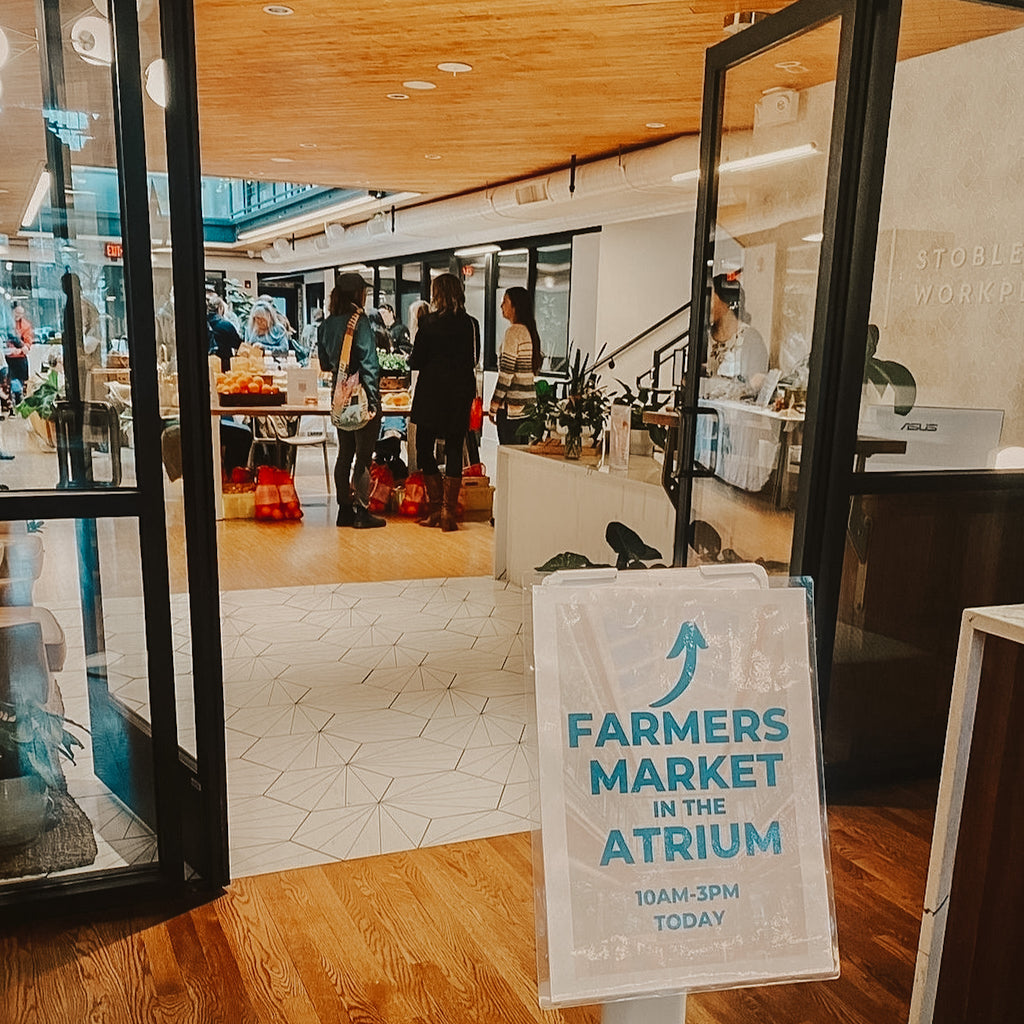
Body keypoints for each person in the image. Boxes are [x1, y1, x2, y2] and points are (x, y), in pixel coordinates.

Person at [409, 273, 478, 531]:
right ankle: (449, 513)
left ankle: (436, 508)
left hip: (432, 393)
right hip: (459, 393)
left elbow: (416, 360)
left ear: (437, 294)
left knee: (424, 447)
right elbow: (474, 359)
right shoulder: (471, 324)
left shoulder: (427, 323)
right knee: (453, 447)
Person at [318, 273, 384, 529]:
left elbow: (325, 364)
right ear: (357, 293)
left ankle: (343, 511)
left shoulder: (326, 325)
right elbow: (370, 363)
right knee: (364, 457)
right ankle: (362, 513)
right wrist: (375, 401)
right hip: (360, 396)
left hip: (339, 395)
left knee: (343, 454)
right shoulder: (360, 321)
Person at [489, 286, 543, 445]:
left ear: (515, 306)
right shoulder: (529, 331)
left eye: (504, 301)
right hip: (527, 408)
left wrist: (494, 405)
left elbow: (506, 375)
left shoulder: (513, 332)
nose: (501, 306)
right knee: (521, 458)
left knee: (508, 457)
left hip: (511, 409)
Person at [704, 272, 768, 393]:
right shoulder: (705, 337)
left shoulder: (750, 338)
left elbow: (757, 381)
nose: (707, 305)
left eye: (711, 298)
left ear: (727, 303)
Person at [207, 293, 243, 371]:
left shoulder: (202, 324)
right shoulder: (226, 325)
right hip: (224, 363)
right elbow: (238, 344)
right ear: (220, 309)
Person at [6, 304, 34, 403]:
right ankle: (10, 405)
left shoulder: (26, 325)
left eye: (21, 313)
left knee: (22, 382)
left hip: (20, 358)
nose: (18, 315)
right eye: (16, 313)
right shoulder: (5, 323)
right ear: (12, 311)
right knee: (8, 383)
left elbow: (28, 341)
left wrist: (24, 348)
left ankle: (21, 402)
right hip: (7, 358)